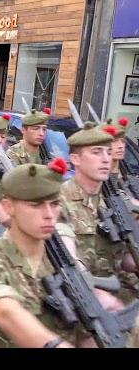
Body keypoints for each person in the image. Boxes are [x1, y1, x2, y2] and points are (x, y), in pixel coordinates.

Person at [0, 161, 108, 347]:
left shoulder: (62, 262)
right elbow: (4, 312)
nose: (49, 214)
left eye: (54, 204)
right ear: (8, 207)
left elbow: (85, 333)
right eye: (36, 205)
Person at [58, 122, 139, 303]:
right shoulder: (58, 201)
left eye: (108, 152)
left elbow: (127, 259)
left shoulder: (117, 200)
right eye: (97, 152)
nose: (106, 159)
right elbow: (64, 259)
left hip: (118, 287)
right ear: (75, 159)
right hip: (77, 295)